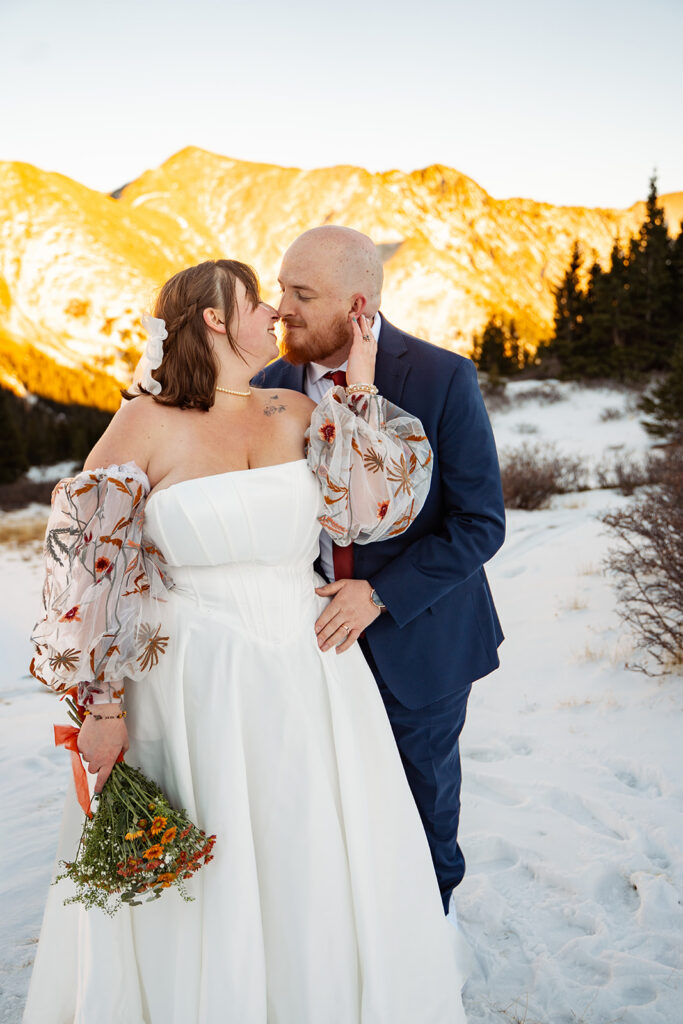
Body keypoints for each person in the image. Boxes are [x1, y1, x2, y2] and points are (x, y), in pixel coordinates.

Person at [23, 258, 468, 1023]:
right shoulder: (143, 422)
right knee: (214, 858)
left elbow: (370, 508)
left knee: (312, 845)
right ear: (214, 318)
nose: (274, 314)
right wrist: (99, 704)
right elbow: (87, 572)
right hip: (193, 678)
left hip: (309, 669)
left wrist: (358, 387)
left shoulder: (292, 408)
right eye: (255, 301)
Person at [256, 226, 505, 919]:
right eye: (280, 289)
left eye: (302, 294)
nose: (282, 308)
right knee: (331, 808)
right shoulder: (267, 387)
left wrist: (380, 594)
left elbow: (480, 523)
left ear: (356, 305)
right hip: (307, 648)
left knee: (422, 808)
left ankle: (432, 936)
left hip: (420, 640)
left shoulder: (439, 377)